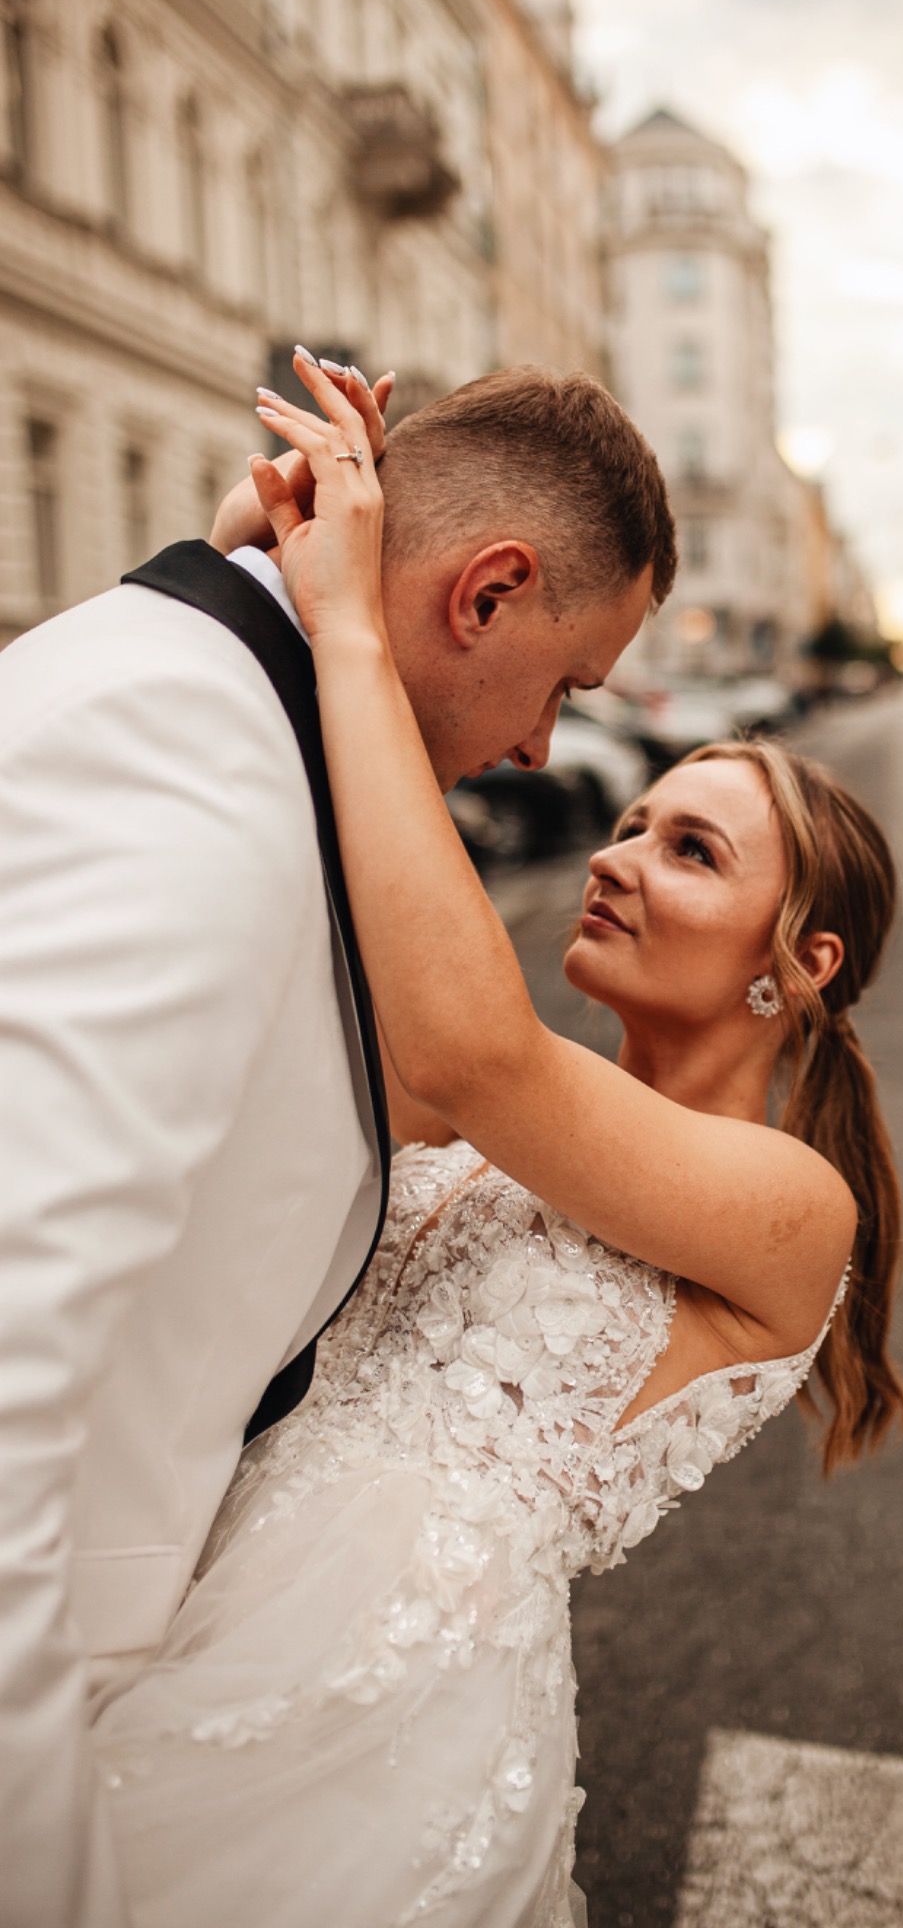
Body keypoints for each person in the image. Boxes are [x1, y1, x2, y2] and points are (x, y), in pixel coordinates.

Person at [89, 358, 903, 1926]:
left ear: (799, 962)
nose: (611, 852)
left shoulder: (787, 1208)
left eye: (688, 849)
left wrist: (340, 625)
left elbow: (472, 1049)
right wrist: (271, 564)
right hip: (185, 1615)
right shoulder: (474, 1139)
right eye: (631, 820)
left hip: (385, 1733)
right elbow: (294, 931)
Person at [0, 359, 675, 1928]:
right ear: (488, 592)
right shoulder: (188, 761)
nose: (535, 751)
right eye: (567, 686)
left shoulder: (179, 676)